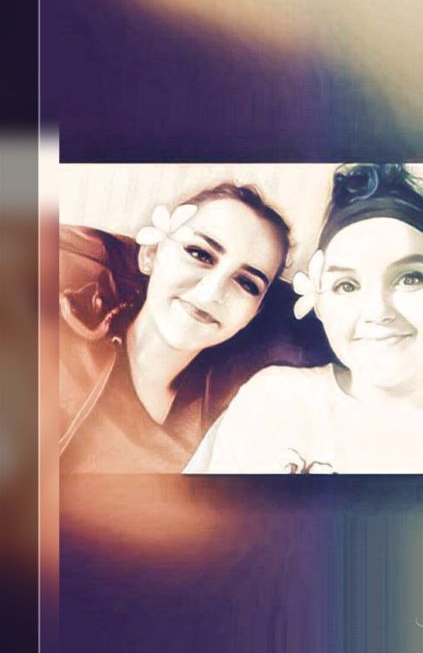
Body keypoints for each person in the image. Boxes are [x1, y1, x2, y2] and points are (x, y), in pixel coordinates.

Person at [185, 164, 423, 474]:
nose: (377, 311)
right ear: (321, 305)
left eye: (410, 278)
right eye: (347, 285)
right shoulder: (276, 401)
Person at [59, 182, 330, 472]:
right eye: (200, 254)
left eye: (246, 283)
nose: (212, 292)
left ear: (255, 312)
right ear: (150, 254)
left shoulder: (232, 429)